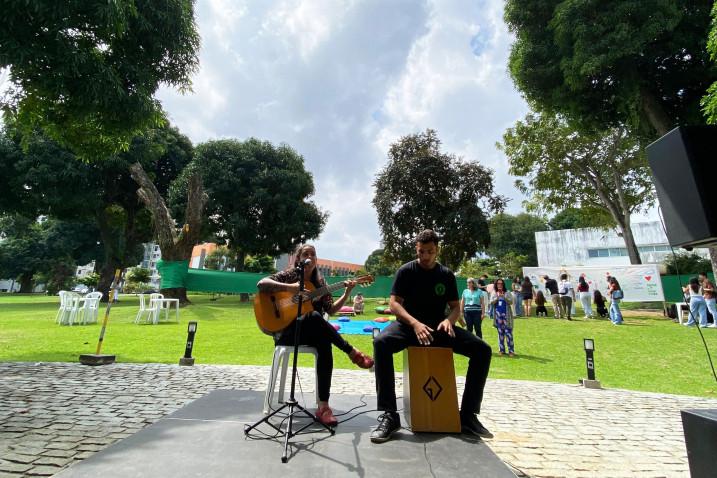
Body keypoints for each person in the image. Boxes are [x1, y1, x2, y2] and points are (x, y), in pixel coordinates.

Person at [371, 230, 493, 443]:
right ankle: (389, 414)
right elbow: (394, 303)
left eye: (429, 252)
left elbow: (455, 308)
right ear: (416, 249)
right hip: (409, 327)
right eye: (421, 252)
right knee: (381, 343)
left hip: (438, 328)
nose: (425, 256)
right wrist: (415, 323)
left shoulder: (445, 274)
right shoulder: (406, 271)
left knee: (482, 350)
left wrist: (449, 321)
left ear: (437, 250)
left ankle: (467, 415)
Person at [257, 244, 374, 427]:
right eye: (306, 254)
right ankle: (351, 352)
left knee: (322, 338)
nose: (310, 256)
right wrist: (291, 289)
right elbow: (262, 284)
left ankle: (323, 407)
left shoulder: (321, 283)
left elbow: (331, 310)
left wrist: (347, 292)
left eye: (313, 254)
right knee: (313, 317)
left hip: (308, 332)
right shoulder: (289, 275)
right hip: (285, 332)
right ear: (299, 259)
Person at [491, 278, 514, 356]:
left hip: (507, 317)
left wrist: (504, 297)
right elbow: (491, 302)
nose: (499, 285)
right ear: (496, 285)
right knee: (500, 333)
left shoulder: (507, 292)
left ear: (503, 284)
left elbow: (511, 302)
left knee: (508, 333)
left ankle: (511, 351)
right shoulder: (494, 292)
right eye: (498, 284)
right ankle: (501, 350)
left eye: (501, 283)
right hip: (498, 317)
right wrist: (497, 297)